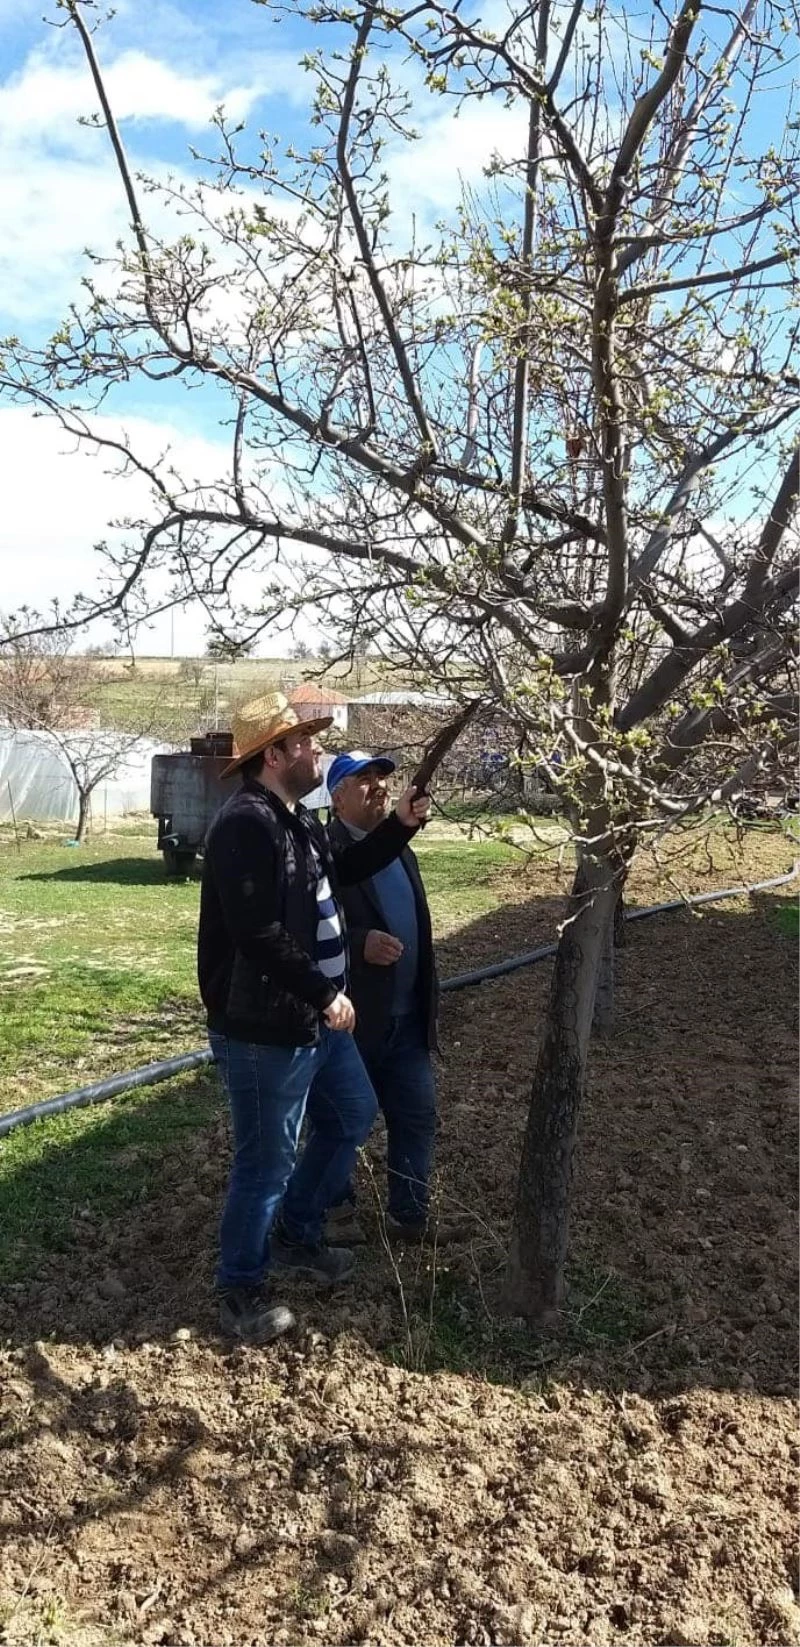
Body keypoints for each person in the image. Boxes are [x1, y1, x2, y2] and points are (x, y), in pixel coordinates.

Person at [198, 695, 430, 1345]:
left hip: (311, 1020)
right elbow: (256, 931)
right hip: (263, 1026)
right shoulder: (246, 824)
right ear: (271, 755)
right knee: (264, 1160)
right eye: (302, 742)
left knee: (352, 1114)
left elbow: (346, 865)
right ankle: (240, 1286)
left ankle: (299, 1232)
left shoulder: (295, 818)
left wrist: (401, 825)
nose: (315, 750)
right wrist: (326, 993)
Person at [325, 750, 463, 1245]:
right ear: (336, 795)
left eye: (383, 777)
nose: (380, 786)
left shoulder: (402, 850)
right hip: (355, 1018)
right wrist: (360, 942)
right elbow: (308, 924)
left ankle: (409, 1215)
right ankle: (334, 1210)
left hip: (406, 1018)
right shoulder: (327, 850)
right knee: (342, 1118)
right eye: (364, 779)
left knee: (417, 1115)